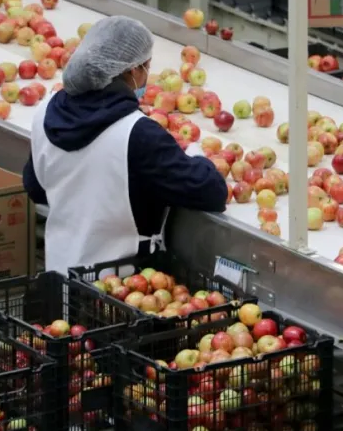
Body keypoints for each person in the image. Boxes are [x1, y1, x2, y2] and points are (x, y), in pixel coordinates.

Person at [24, 16, 229, 273]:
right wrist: (196, 155)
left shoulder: (46, 111)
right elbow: (211, 192)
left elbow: (36, 188)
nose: (147, 77)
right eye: (146, 67)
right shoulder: (137, 133)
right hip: (117, 288)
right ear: (132, 71)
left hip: (58, 272)